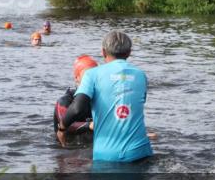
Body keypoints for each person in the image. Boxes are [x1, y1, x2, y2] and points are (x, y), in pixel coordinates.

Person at [58, 30, 153, 163]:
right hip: (141, 153)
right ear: (129, 52)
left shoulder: (92, 75)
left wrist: (62, 128)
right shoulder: (141, 75)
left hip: (108, 156)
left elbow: (77, 108)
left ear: (103, 52)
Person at [53, 55, 98, 145]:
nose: (91, 79)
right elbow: (64, 125)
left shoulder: (100, 99)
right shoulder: (64, 101)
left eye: (94, 75)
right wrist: (89, 125)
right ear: (76, 78)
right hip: (67, 148)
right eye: (87, 75)